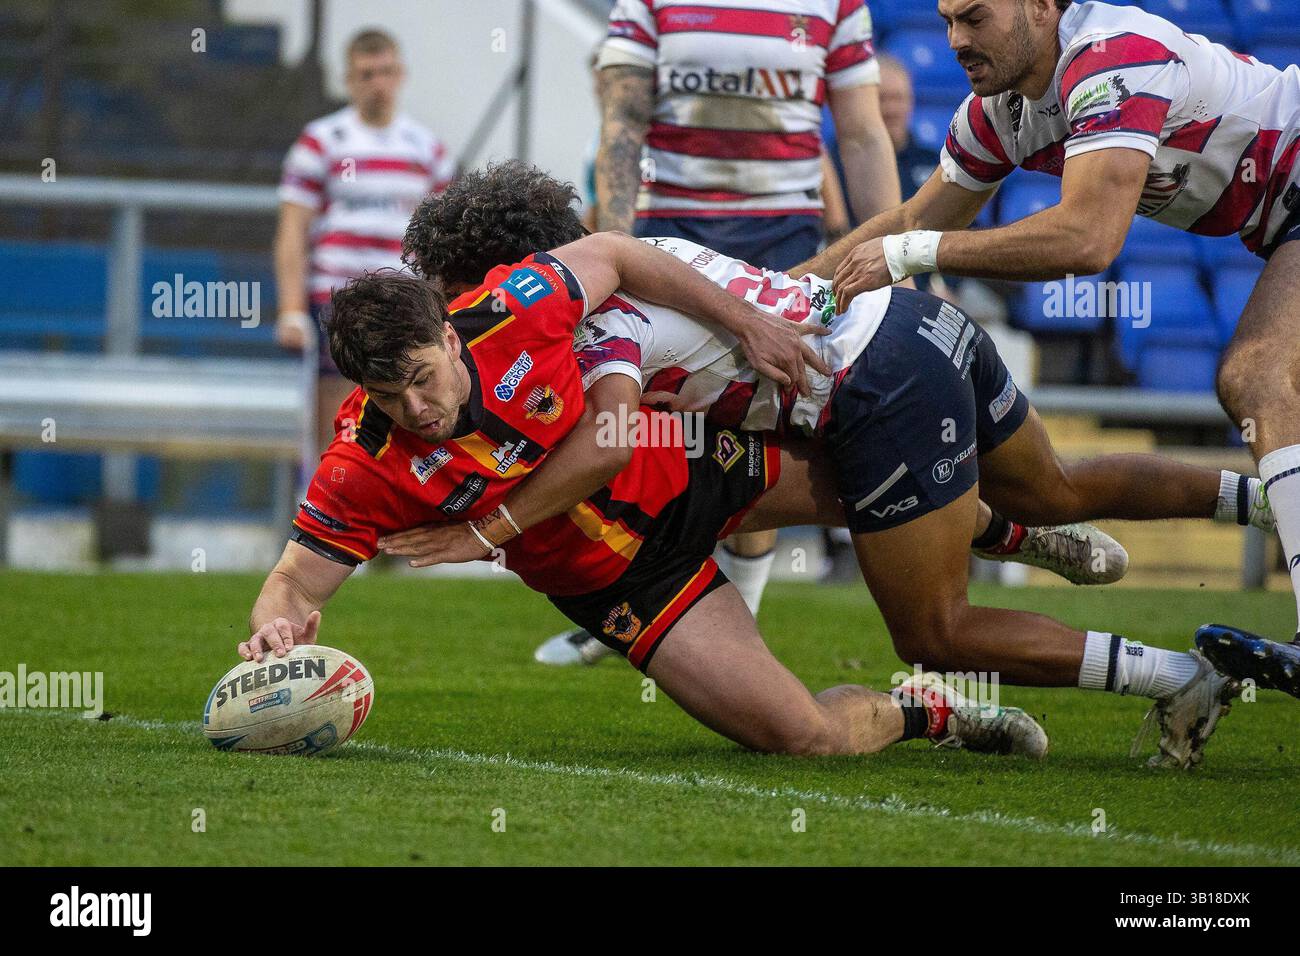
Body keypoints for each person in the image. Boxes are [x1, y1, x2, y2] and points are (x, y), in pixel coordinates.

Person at [391, 162, 1283, 768]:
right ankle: (1272, 500)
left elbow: (611, 437)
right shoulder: (626, 263)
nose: (463, 313)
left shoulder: (587, 327)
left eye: (462, 290)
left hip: (871, 392)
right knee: (1059, 485)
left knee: (934, 633)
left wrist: (490, 525)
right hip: (911, 324)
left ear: (501, 274)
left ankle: (1179, 677)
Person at [243, 231, 1049, 760]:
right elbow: (292, 581)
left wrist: (745, 321)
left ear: (450, 335)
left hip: (683, 467)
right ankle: (927, 711)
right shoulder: (360, 463)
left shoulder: (513, 308)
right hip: (625, 584)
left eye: (422, 378)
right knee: (802, 740)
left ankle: (1009, 531)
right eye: (389, 398)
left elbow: (621, 254)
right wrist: (276, 629)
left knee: (885, 489)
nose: (416, 409)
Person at [788, 0, 1300, 694]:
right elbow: (908, 216)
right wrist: (769, 298)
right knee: (1257, 380)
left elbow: (1087, 240)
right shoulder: (1000, 110)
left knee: (1258, 377)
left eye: (973, 18)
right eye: (945, 21)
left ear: (1040, 6)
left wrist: (910, 253)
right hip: (1283, 220)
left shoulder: (1112, 56)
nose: (955, 41)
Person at [564, 0, 905, 648]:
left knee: (760, 424)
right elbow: (623, 124)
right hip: (674, 234)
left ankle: (734, 620)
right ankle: (635, 599)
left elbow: (862, 135)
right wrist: (614, 249)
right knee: (651, 426)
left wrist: (900, 254)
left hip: (784, 238)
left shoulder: (838, 5)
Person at [273, 29, 456, 458]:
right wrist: (290, 310)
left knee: (411, 399)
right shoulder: (321, 140)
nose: (378, 83)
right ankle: (325, 502)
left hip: (404, 299)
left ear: (402, 74)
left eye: (387, 72)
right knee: (337, 413)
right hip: (336, 298)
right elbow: (292, 230)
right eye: (367, 74)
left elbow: (443, 242)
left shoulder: (427, 148)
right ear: (349, 80)